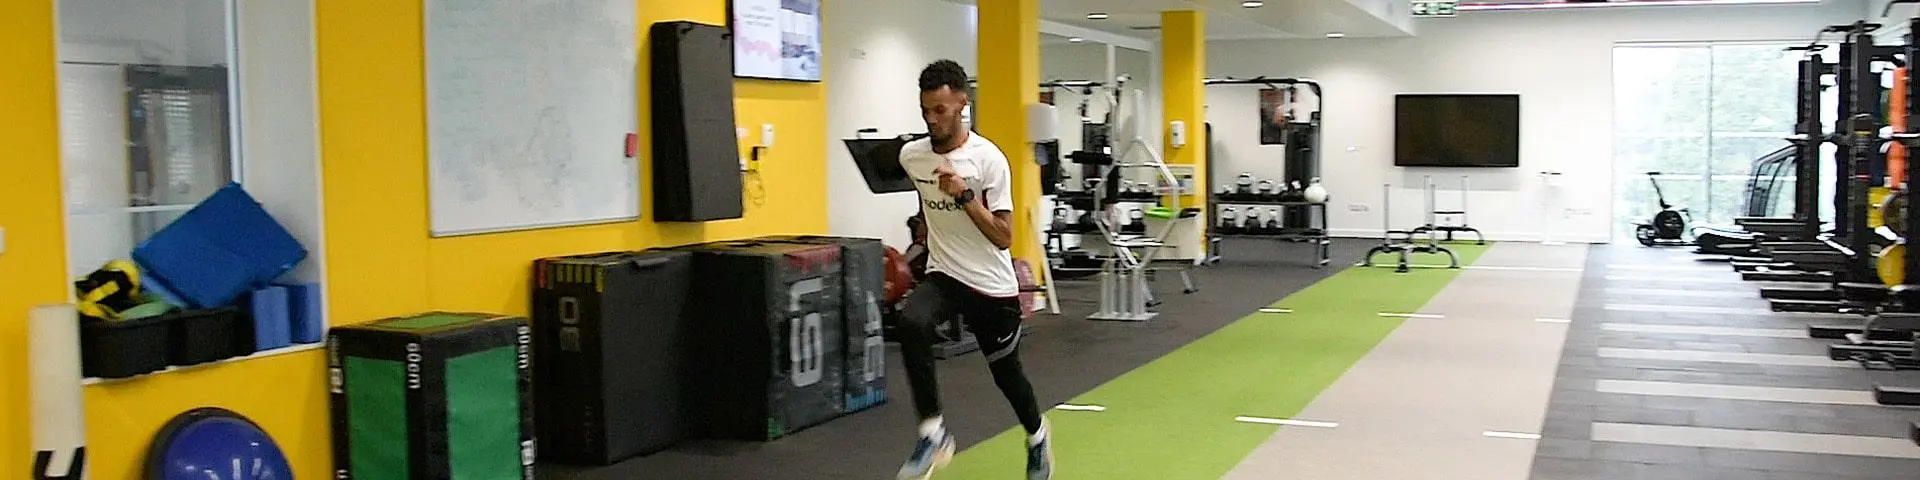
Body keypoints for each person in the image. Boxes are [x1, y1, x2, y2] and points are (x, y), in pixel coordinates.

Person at [893, 59, 1051, 480]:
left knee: (1006, 375)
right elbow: (925, 201)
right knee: (910, 322)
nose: (932, 119)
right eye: (926, 110)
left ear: (963, 103)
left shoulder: (989, 160)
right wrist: (926, 230)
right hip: (945, 274)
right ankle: (933, 434)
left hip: (991, 287)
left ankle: (1037, 437)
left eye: (940, 110)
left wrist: (964, 196)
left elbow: (1004, 237)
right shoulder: (913, 155)